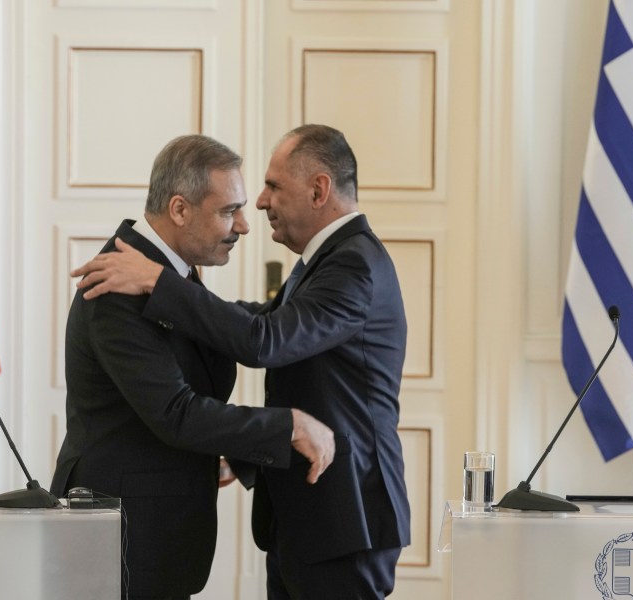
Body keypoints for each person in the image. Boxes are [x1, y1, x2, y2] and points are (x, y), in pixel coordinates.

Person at [74, 124, 410, 599]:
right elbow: (183, 401)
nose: (255, 209)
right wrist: (272, 435)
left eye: (273, 186)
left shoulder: (350, 262)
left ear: (319, 190)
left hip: (343, 514)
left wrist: (159, 283)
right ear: (180, 209)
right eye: (230, 208)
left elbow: (264, 338)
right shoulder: (121, 286)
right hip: (138, 531)